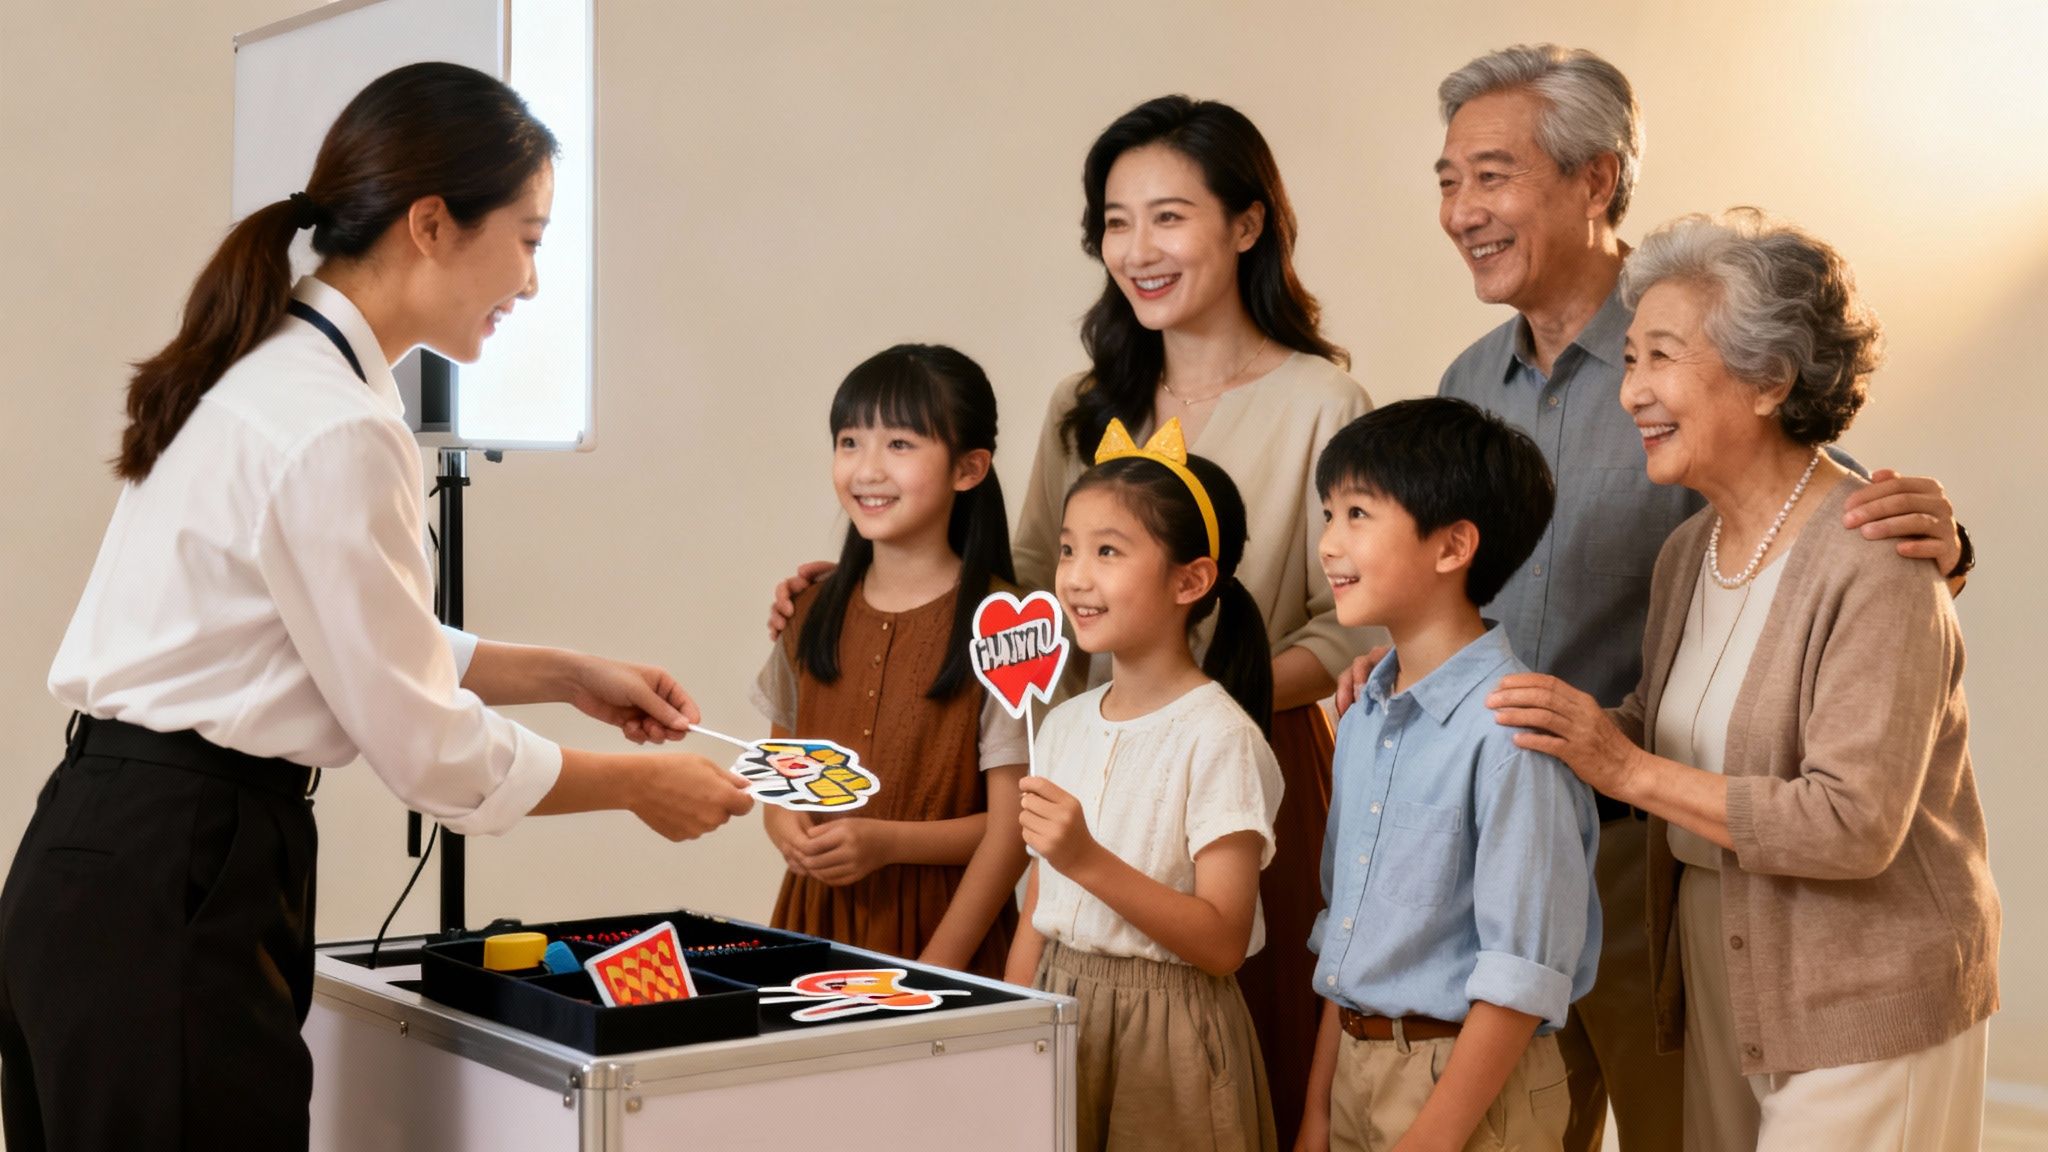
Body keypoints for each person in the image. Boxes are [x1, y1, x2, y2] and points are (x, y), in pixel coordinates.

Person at [0, 63, 753, 1152]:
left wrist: (565, 673)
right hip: (180, 877)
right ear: (433, 223)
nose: (534, 284)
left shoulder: (265, 367)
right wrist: (641, 786)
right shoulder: (343, 426)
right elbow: (431, 752)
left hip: (94, 863)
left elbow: (330, 634)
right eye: (530, 239)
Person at [1330, 44, 1971, 1151]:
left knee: (1673, 1125)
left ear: (1594, 180)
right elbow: (1444, 589)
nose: (1460, 211)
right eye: (1446, 180)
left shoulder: (1711, 348)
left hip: (1648, 853)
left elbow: (1816, 503)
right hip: (1491, 837)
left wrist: (1944, 548)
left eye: (1491, 174)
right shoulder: (1463, 384)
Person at [767, 96, 1374, 1141]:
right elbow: (1025, 586)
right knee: (1071, 1065)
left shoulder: (1325, 402)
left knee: (1229, 1069)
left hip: (1241, 758)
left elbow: (1345, 625)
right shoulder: (1077, 402)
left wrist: (1187, 698)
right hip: (1083, 765)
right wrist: (868, 582)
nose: (1136, 249)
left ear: (1246, 224)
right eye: (1114, 220)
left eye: (1168, 217)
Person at [1489, 210, 1999, 1152]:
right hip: (1722, 965)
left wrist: (1623, 769)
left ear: (1769, 380)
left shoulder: (1875, 557)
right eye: (1631, 359)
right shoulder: (1691, 548)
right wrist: (1494, 718)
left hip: (1862, 984)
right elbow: (1655, 724)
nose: (1632, 392)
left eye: (1662, 359)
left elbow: (1853, 825)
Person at [1299, 398, 1599, 1152]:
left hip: (1465, 1090)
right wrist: (1315, 1117)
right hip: (1355, 1071)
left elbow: (1520, 976)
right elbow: (1345, 939)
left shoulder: (1513, 733)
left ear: (1453, 546)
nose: (1330, 543)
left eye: (1358, 514)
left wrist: (1429, 1138)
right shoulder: (1363, 713)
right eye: (1328, 513)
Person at [1004, 419, 1284, 1152]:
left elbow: (1223, 941)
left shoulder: (1218, 736)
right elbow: (1040, 906)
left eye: (1108, 551)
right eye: (1067, 549)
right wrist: (1013, 1023)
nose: (1075, 575)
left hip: (1171, 1033)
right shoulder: (1060, 726)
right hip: (1059, 1008)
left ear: (1190, 579)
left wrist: (1086, 858)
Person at [753, 344, 1030, 977]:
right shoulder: (808, 610)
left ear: (969, 468)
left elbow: (1012, 831)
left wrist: (934, 967)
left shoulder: (1008, 625)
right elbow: (780, 781)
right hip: (812, 936)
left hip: (948, 939)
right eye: (849, 441)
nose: (867, 469)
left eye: (900, 444)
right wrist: (785, 825)